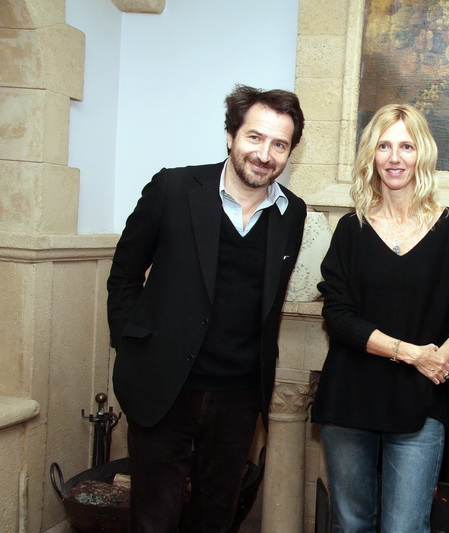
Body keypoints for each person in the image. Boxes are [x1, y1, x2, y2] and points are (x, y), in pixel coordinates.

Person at [107, 85, 307, 532]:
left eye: (280, 144)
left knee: (216, 518)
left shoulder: (293, 213)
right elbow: (123, 275)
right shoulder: (173, 188)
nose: (265, 153)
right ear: (230, 136)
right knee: (153, 520)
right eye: (255, 137)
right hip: (164, 389)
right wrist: (132, 350)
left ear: (290, 152)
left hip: (238, 398)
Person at [311, 103, 449, 532]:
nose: (395, 157)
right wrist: (411, 353)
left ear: (422, 154)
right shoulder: (350, 230)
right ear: (371, 156)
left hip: (420, 400)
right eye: (384, 146)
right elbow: (337, 316)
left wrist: (439, 360)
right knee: (351, 524)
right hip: (350, 398)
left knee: (406, 527)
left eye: (406, 146)